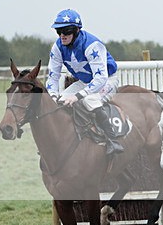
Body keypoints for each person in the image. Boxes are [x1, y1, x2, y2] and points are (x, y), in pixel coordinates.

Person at [46, 9, 124, 155]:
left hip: (106, 80)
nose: (62, 35)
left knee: (88, 100)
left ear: (76, 30)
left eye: (66, 31)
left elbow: (100, 78)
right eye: (59, 31)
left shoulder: (92, 45)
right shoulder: (57, 47)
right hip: (84, 82)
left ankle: (113, 140)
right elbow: (53, 76)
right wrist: (52, 95)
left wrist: (77, 96)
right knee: (60, 102)